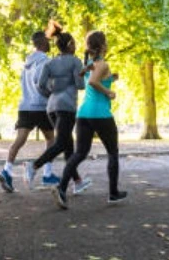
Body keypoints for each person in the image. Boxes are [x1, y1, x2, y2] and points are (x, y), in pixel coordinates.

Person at [52, 30, 127, 210]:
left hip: (83, 114)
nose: (108, 45)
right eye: (106, 43)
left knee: (80, 153)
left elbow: (90, 79)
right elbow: (93, 82)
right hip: (100, 114)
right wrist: (109, 92)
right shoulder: (100, 63)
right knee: (112, 153)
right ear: (101, 46)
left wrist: (111, 79)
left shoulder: (88, 65)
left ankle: (61, 188)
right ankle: (113, 193)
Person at [23, 23, 91, 194]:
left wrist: (51, 91)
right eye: (74, 43)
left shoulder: (50, 63)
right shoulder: (75, 61)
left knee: (68, 147)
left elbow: (40, 85)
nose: (76, 46)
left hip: (51, 107)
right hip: (67, 107)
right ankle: (34, 165)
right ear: (69, 45)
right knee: (62, 143)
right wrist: (81, 72)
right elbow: (80, 85)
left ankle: (77, 182)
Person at [0, 31, 57, 192]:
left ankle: (7, 170)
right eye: (48, 40)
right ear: (43, 43)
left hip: (25, 106)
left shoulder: (27, 64)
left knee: (19, 141)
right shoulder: (46, 62)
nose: (50, 42)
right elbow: (42, 84)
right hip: (41, 106)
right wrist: (52, 93)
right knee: (52, 141)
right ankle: (47, 174)